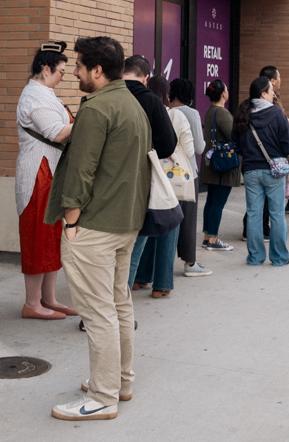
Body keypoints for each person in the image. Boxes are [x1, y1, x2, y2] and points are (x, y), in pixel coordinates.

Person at [47, 36, 152, 421]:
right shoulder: (132, 104)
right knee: (118, 305)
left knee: (98, 313)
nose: (73, 71)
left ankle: (105, 396)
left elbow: (81, 171)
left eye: (77, 65)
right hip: (126, 223)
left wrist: (71, 221)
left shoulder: (96, 108)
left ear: (96, 70)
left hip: (95, 225)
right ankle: (120, 382)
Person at [15, 42, 79, 322]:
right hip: (37, 173)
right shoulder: (34, 97)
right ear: (45, 68)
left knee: (52, 236)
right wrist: (89, 119)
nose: (64, 76)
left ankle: (48, 298)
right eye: (61, 71)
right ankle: (32, 302)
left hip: (51, 171)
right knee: (37, 235)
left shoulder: (45, 94)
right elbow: (56, 132)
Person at [131, 76, 208, 297]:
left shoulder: (140, 111)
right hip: (172, 179)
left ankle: (140, 278)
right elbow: (191, 150)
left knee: (147, 227)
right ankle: (162, 284)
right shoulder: (177, 115)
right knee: (169, 227)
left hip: (147, 176)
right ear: (167, 93)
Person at [122, 56, 180, 295]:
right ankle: (115, 307)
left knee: (104, 254)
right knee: (132, 250)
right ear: (146, 77)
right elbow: (168, 145)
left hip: (103, 184)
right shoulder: (150, 101)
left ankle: (95, 311)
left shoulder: (103, 96)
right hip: (139, 181)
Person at [233, 76, 289, 266]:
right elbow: (286, 145)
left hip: (250, 170)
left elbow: (236, 143)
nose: (273, 94)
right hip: (273, 170)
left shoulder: (243, 112)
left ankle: (255, 256)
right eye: (271, 91)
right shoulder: (277, 113)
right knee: (276, 214)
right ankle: (279, 257)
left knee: (253, 214)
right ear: (263, 94)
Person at [167, 78, 207, 274]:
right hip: (187, 174)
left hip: (165, 173)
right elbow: (198, 148)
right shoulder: (192, 114)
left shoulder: (164, 111)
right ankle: (190, 263)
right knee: (188, 220)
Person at [200, 80, 241, 251]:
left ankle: (207, 236)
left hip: (212, 162)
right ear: (223, 93)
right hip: (223, 165)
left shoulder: (210, 111)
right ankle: (213, 239)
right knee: (217, 203)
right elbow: (235, 136)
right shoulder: (222, 113)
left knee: (211, 201)